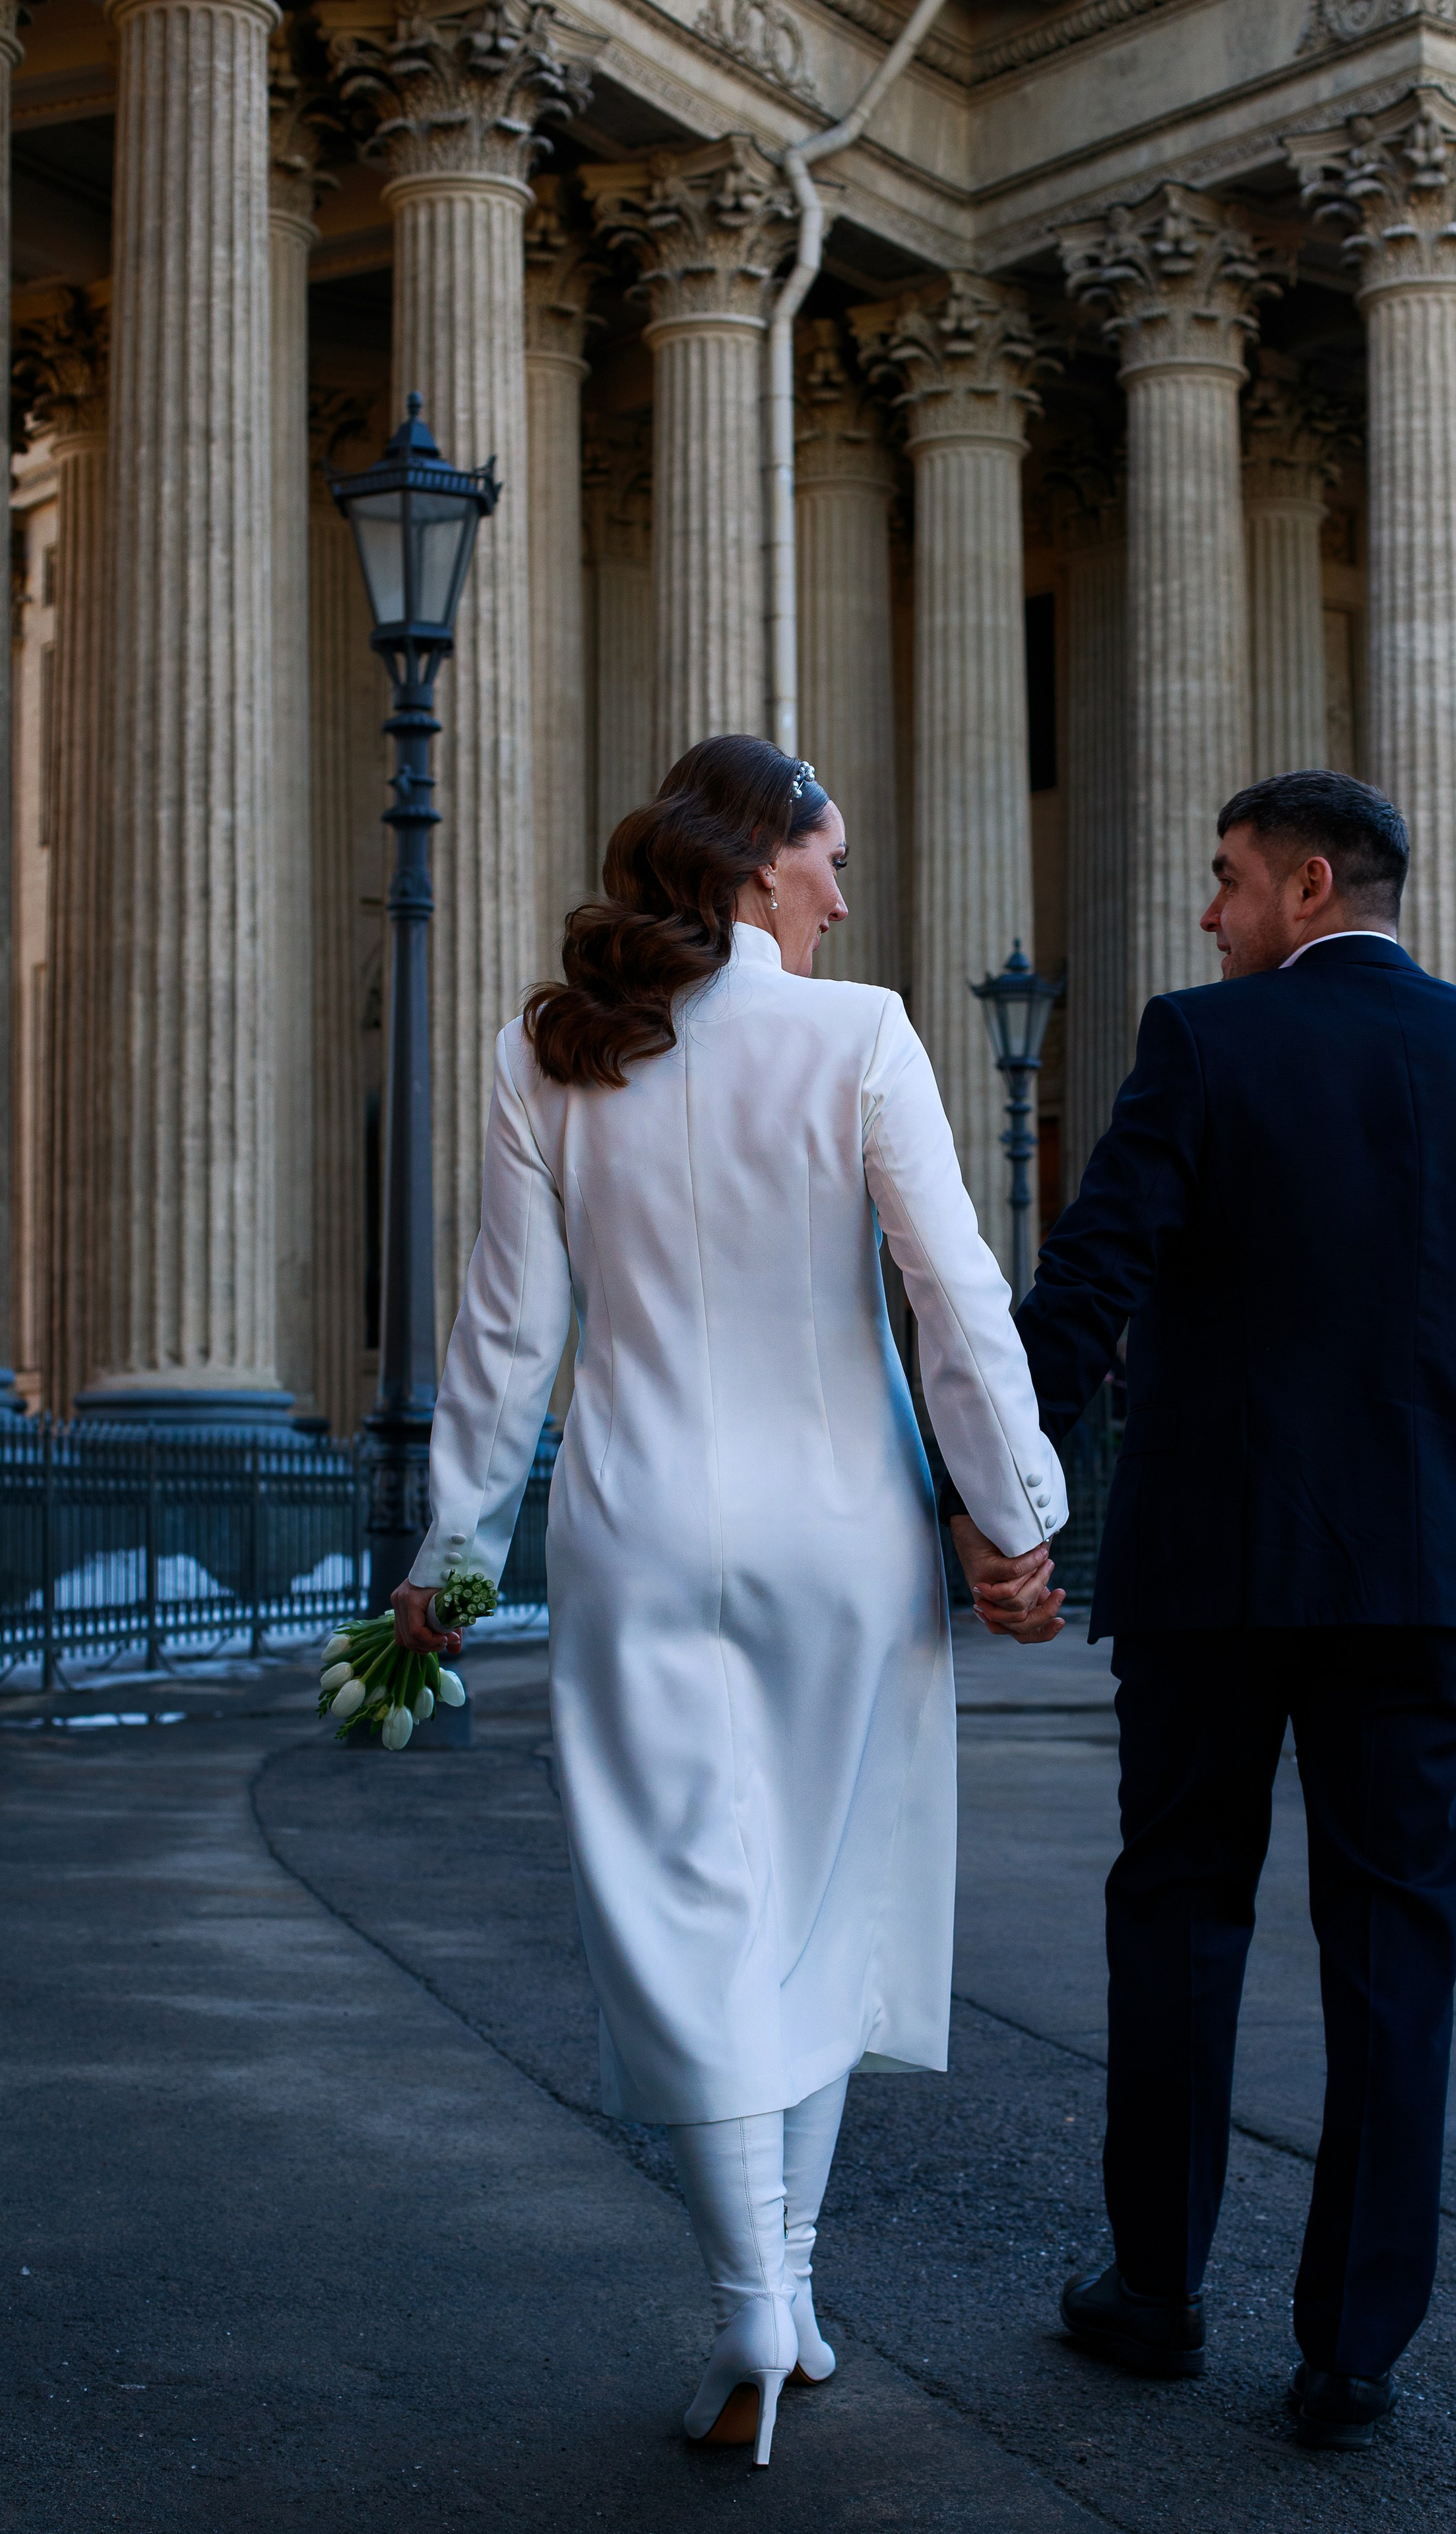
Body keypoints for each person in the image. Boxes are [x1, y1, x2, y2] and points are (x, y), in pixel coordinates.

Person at [391, 734, 1065, 2467]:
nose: (847, 891)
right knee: (819, 1900)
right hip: (842, 1535)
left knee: (688, 1910)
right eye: (830, 857)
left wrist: (454, 1554)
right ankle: (789, 2292)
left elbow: (501, 1343)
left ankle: (765, 2298)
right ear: (761, 865)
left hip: (635, 1521)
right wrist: (1019, 1520)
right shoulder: (859, 1037)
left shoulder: (547, 1053)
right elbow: (959, 1300)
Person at [949, 769, 1456, 2450]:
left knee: (1178, 1917)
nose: (1205, 911)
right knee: (1396, 1947)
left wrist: (1002, 1502)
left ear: (1306, 887)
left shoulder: (1202, 1044)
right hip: (1429, 1576)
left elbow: (1092, 1280)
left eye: (1226, 879)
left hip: (1213, 1567)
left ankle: (1153, 2292)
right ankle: (1354, 2347)